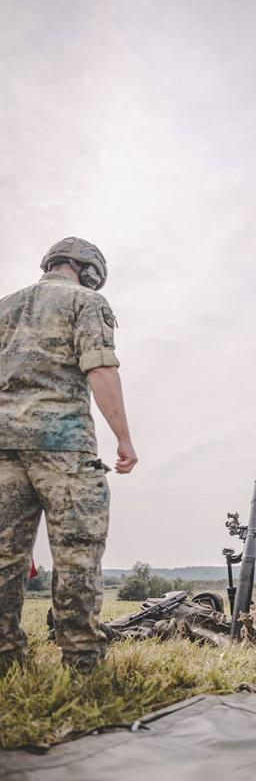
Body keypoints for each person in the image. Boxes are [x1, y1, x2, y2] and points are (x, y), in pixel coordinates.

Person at [0, 237, 137, 673]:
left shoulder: (5, 307)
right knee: (76, 554)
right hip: (63, 447)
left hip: (3, 448)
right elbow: (100, 368)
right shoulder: (87, 302)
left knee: (4, 559)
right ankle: (82, 665)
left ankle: (5, 662)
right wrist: (124, 439)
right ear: (89, 270)